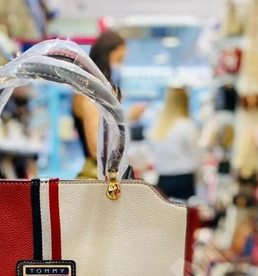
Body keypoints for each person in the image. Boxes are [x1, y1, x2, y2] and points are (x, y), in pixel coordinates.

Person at [72, 29, 145, 179]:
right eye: (119, 59)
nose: (120, 66)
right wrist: (126, 118)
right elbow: (97, 149)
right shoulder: (91, 94)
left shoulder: (103, 93)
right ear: (105, 57)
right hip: (97, 178)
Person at [151, 86, 200, 200]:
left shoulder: (159, 125)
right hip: (183, 180)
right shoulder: (187, 125)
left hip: (163, 179)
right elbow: (196, 157)